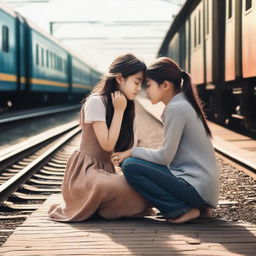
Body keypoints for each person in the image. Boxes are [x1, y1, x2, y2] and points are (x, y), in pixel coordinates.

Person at [112, 57, 219, 224]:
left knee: (130, 165)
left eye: (148, 85)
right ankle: (199, 208)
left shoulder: (176, 108)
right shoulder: (183, 103)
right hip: (204, 191)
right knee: (137, 163)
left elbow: (164, 158)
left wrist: (132, 152)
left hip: (196, 190)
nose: (145, 90)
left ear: (165, 85)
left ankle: (179, 209)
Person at [48, 54, 154, 222]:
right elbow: (107, 144)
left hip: (106, 170)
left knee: (143, 187)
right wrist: (118, 111)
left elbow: (126, 147)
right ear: (120, 78)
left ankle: (105, 207)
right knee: (112, 187)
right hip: (86, 173)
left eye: (141, 83)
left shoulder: (127, 105)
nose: (138, 88)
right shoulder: (96, 102)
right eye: (136, 81)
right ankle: (105, 206)